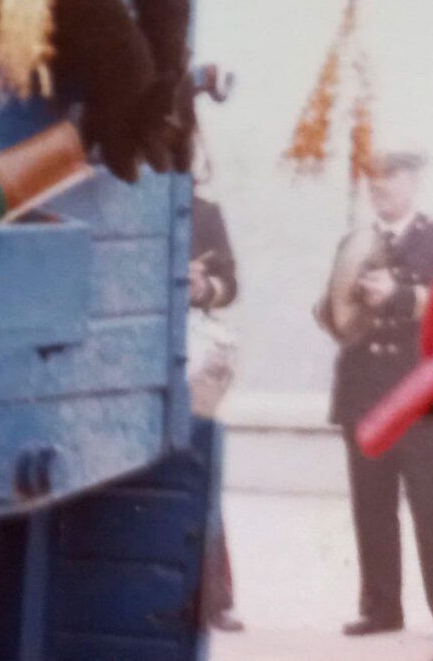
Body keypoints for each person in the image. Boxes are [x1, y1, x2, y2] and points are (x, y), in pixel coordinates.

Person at [312, 150, 433, 640]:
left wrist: (399, 296)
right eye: (372, 179)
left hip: (418, 391)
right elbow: (335, 315)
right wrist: (335, 305)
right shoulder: (354, 242)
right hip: (364, 391)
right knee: (371, 503)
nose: (379, 187)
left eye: (390, 177)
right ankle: (381, 607)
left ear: (414, 181)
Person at [186, 186, 243, 633]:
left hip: (188, 354)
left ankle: (215, 597)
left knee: (196, 467)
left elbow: (230, 286)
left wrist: (205, 287)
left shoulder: (205, 210)